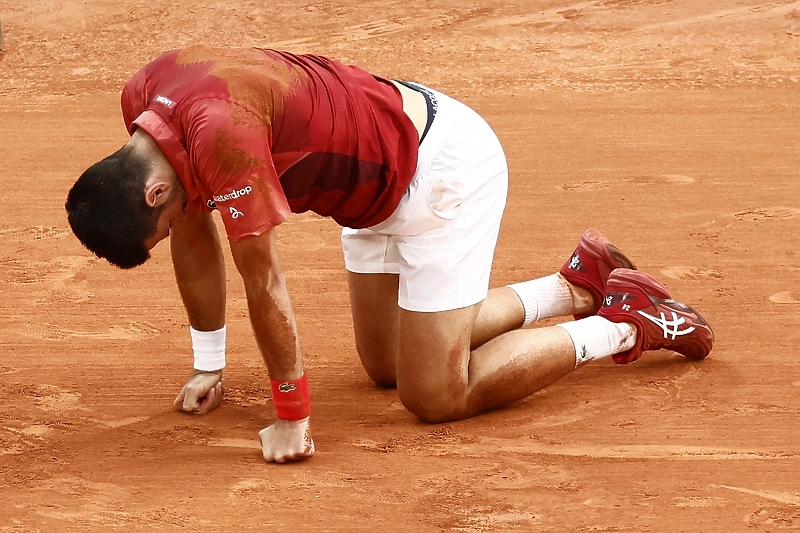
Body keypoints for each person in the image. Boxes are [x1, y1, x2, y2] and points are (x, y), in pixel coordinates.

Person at [65, 45, 714, 463]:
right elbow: (195, 230)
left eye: (166, 220)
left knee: (434, 392)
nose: (181, 224)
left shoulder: (221, 140)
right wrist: (210, 366)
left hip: (437, 174)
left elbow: (262, 281)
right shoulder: (146, 102)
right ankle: (575, 286)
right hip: (369, 178)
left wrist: (292, 414)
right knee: (385, 365)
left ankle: (626, 320)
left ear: (153, 190)